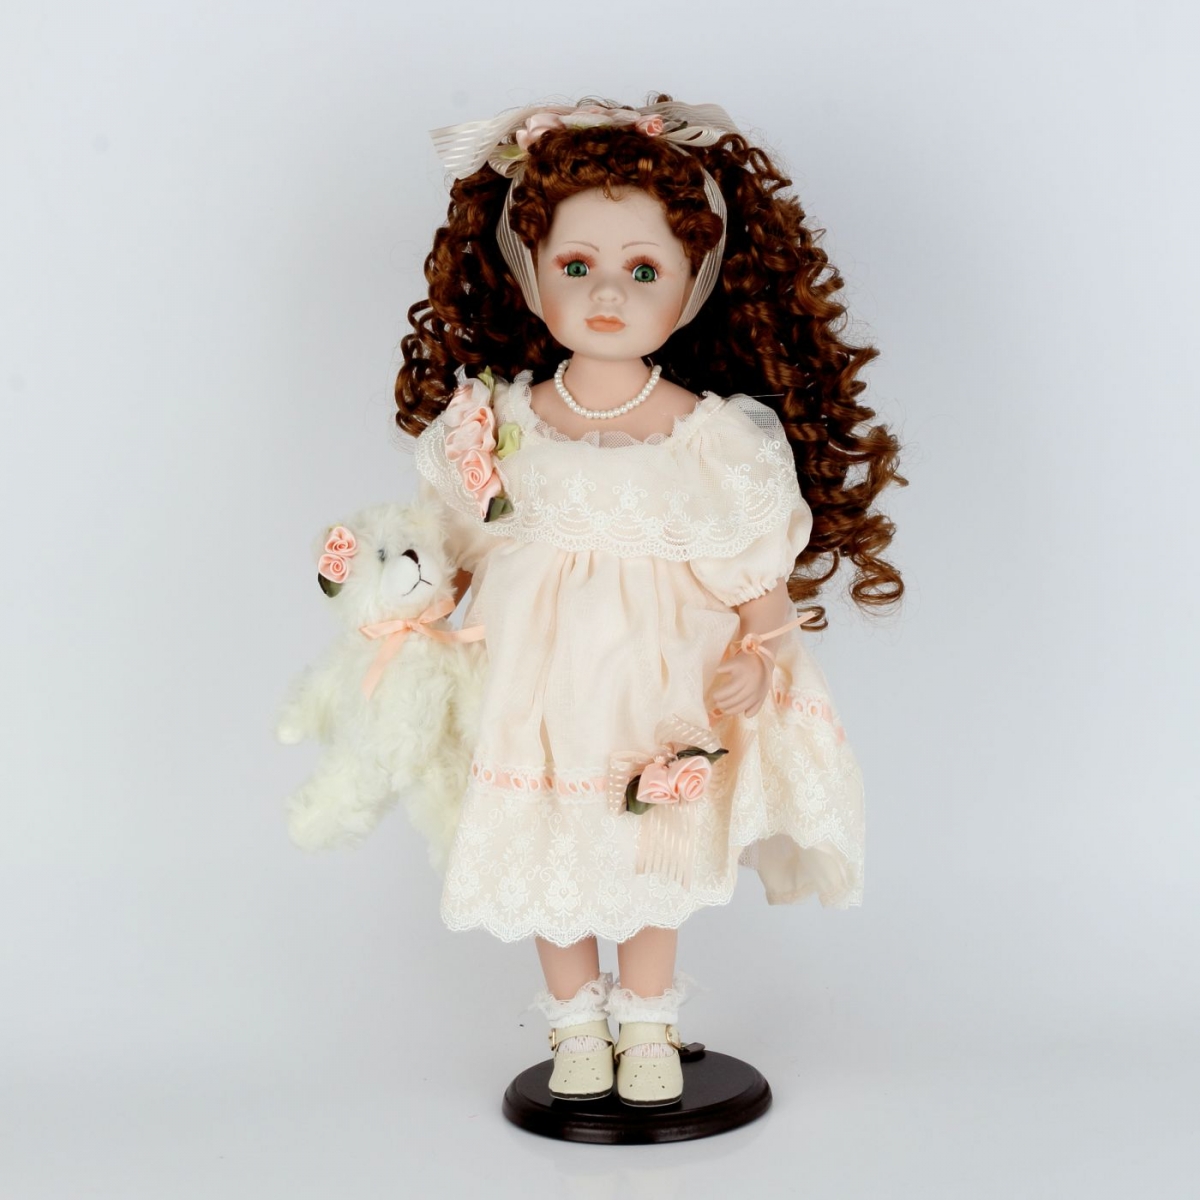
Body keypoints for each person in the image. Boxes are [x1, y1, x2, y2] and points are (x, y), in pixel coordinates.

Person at [394, 97, 904, 1107]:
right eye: (576, 265)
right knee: (547, 843)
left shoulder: (709, 439)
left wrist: (761, 650)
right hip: (534, 693)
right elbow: (450, 544)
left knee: (652, 840)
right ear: (528, 269)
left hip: (656, 692)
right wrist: (401, 603)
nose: (606, 296)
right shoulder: (496, 425)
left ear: (694, 282)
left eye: (643, 271)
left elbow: (752, 576)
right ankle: (575, 1026)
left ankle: (649, 1022)